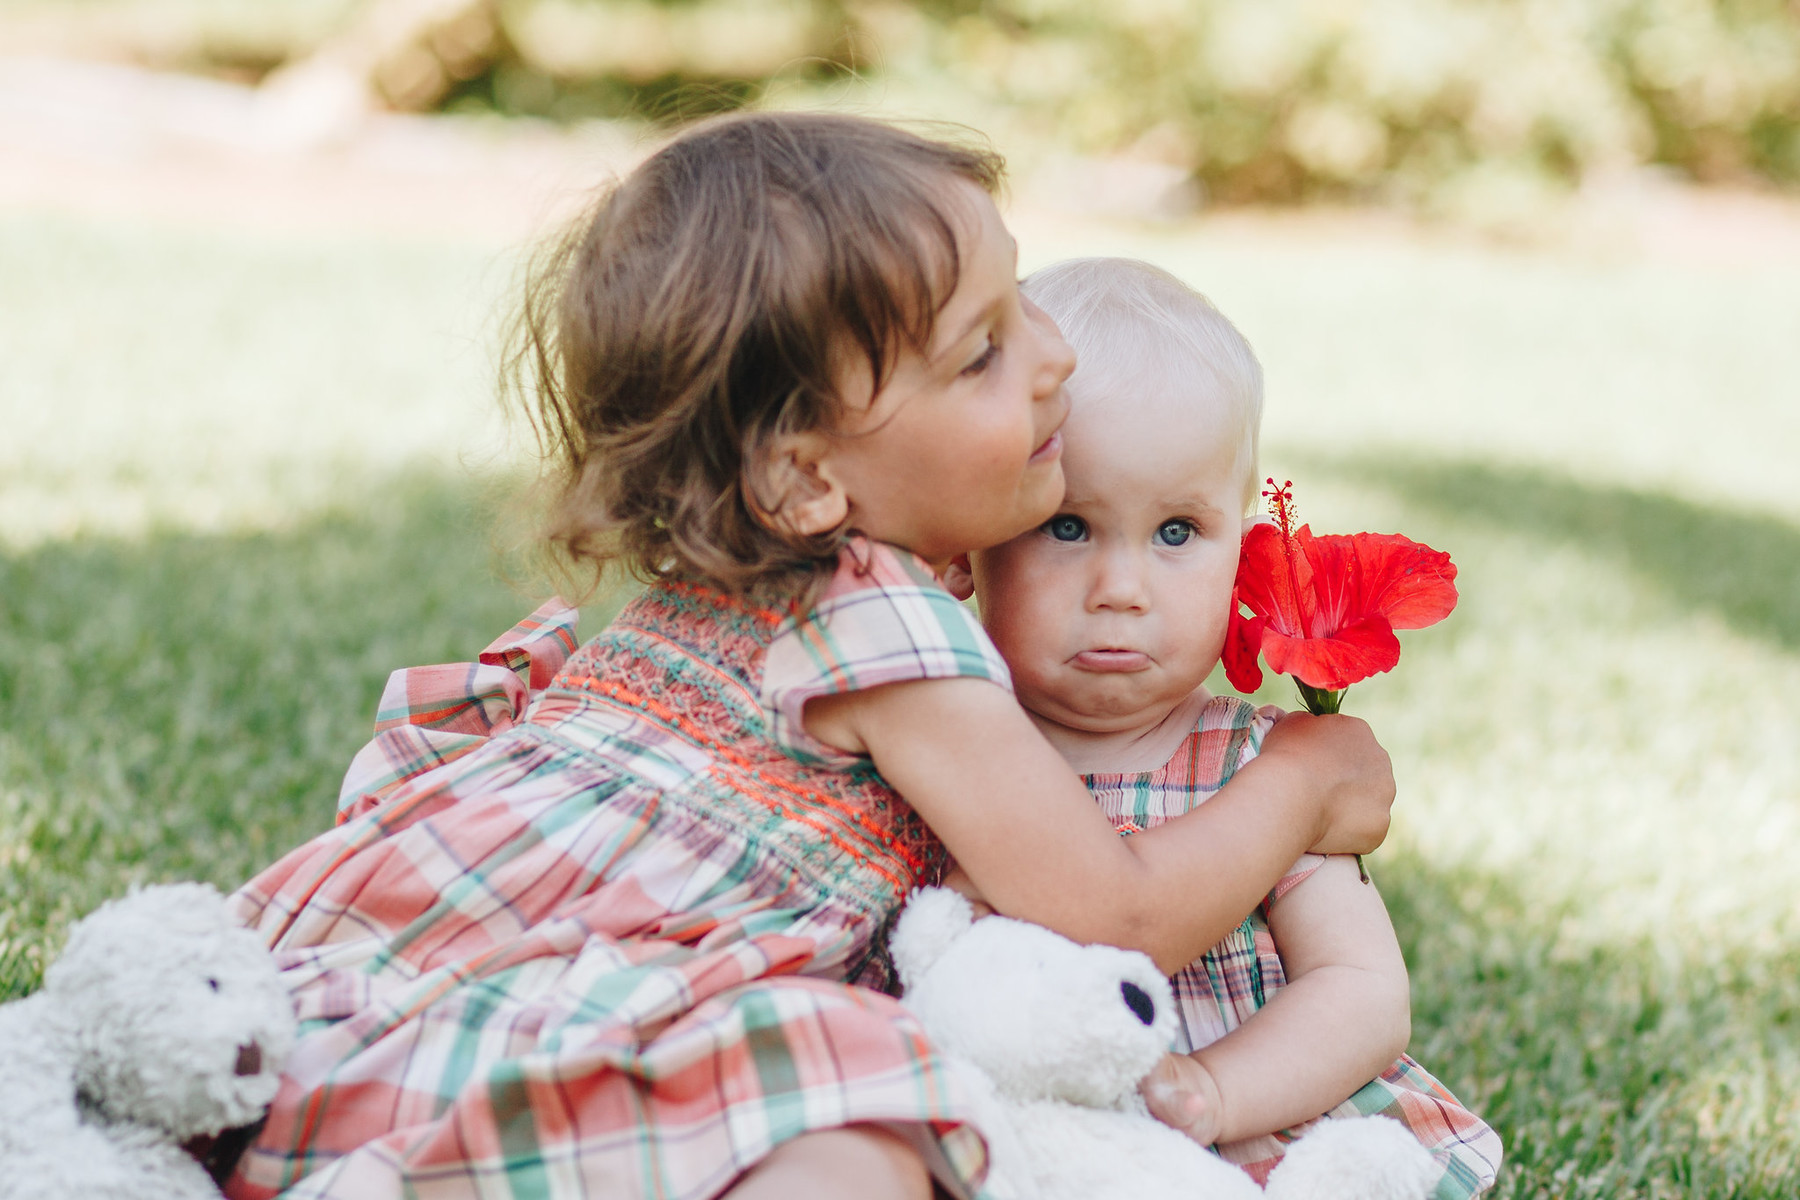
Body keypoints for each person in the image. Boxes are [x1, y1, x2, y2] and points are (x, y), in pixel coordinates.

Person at [220, 114, 1397, 1200]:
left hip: (410, 946)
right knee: (869, 1123)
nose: (1054, 361)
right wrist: (1302, 779)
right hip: (600, 983)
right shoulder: (888, 625)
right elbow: (1116, 915)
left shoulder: (740, 578)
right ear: (805, 479)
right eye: (983, 350)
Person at [952, 257, 1503, 1198]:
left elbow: (1362, 992)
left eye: (1176, 533)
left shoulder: (1255, 763)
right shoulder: (950, 746)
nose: (1122, 591)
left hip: (1253, 1137)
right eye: (1069, 526)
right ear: (971, 538)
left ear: (1242, 544)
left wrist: (1217, 1088)